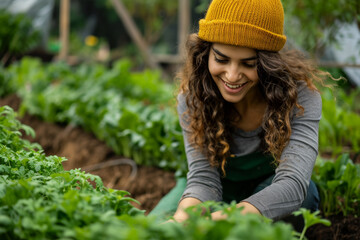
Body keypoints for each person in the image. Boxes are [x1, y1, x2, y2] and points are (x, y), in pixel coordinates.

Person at [151, 0, 332, 223]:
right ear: (205, 54)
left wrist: (216, 222)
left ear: (268, 63)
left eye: (248, 64)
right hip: (211, 190)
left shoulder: (300, 98)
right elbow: (203, 179)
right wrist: (184, 220)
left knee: (302, 203)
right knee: (160, 223)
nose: (233, 75)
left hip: (270, 191)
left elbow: (292, 185)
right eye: (221, 59)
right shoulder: (192, 98)